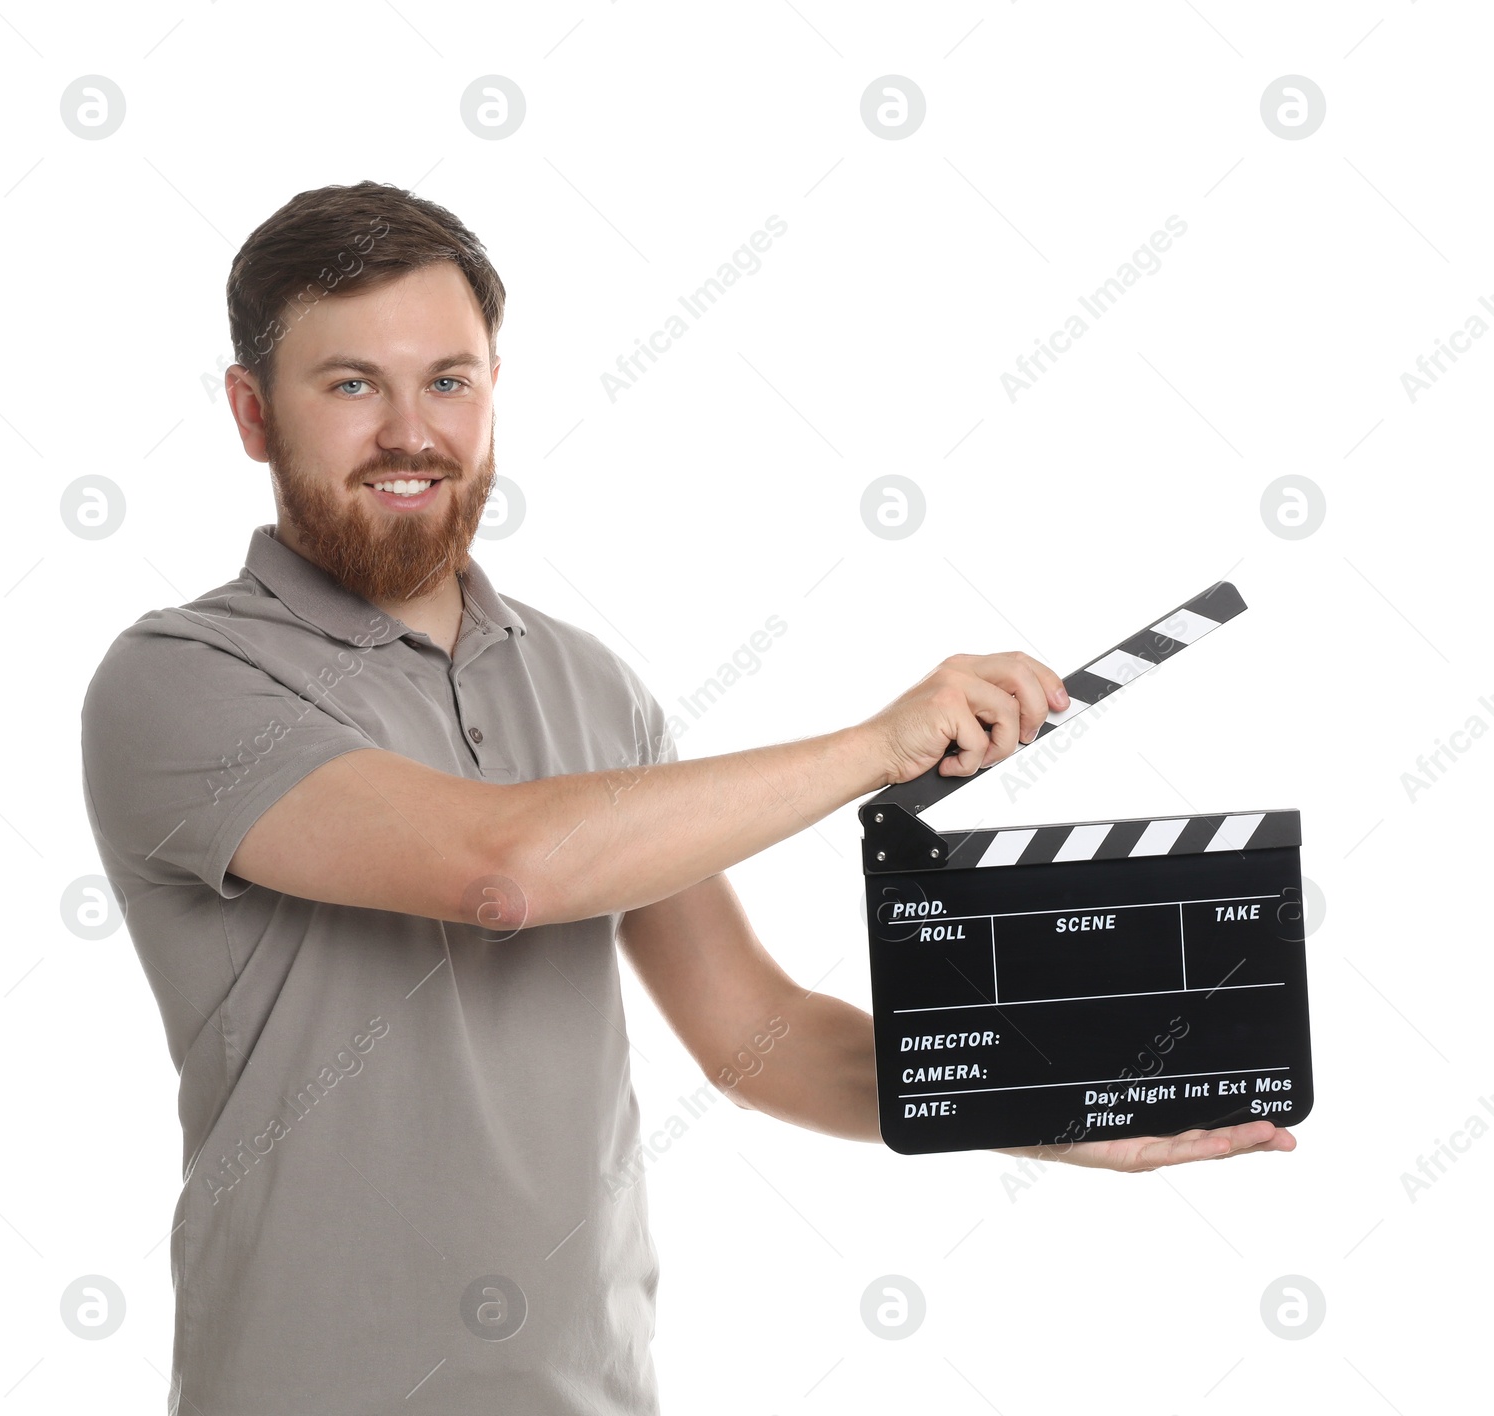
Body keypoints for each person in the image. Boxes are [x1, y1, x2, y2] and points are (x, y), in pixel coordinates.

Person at [80, 180, 1295, 1416]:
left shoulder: (590, 686)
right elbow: (497, 873)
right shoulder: (183, 679)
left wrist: (1042, 1107)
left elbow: (752, 1035)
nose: (411, 432)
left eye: (449, 380)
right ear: (250, 412)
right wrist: (879, 746)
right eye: (352, 385)